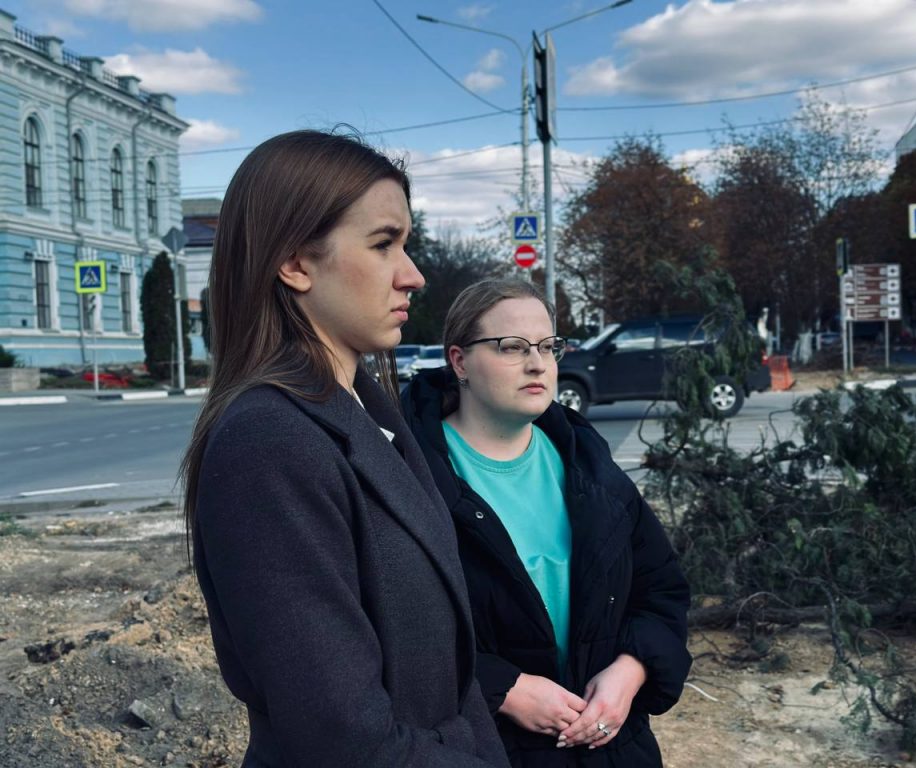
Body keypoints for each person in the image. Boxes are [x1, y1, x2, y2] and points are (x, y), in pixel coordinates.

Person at [179, 130, 510, 768]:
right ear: (296, 263)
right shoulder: (267, 443)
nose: (413, 275)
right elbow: (343, 738)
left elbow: (451, 675)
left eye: (406, 244)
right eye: (384, 244)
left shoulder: (368, 413)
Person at [402, 279, 691, 767]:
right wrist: (502, 687)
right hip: (488, 751)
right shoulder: (410, 476)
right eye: (512, 347)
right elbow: (396, 632)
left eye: (548, 346)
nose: (537, 363)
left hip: (612, 751)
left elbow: (661, 591)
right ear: (459, 362)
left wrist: (631, 669)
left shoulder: (589, 464)